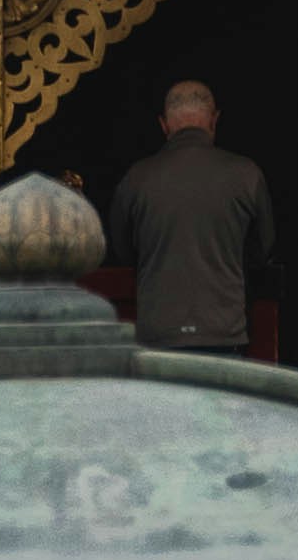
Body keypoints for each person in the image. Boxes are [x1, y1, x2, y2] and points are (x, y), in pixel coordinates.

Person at [107, 78, 278, 355]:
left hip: (159, 335)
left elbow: (124, 253)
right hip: (224, 333)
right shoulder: (246, 174)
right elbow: (263, 249)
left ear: (164, 125)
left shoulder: (136, 178)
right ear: (214, 120)